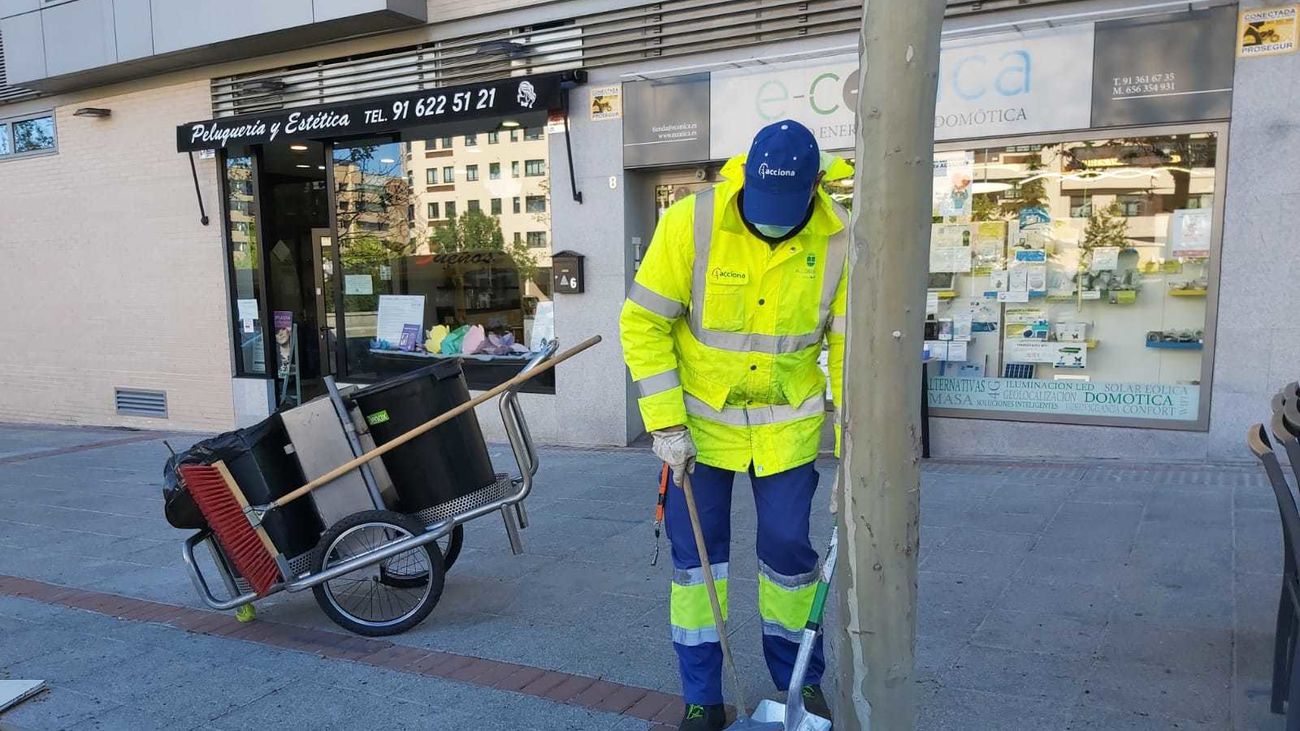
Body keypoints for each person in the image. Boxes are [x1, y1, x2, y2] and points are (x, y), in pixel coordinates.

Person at [619, 119, 851, 731]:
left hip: (787, 428)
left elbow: (849, 346)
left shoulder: (841, 237)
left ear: (815, 187)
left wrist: (854, 446)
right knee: (698, 564)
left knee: (789, 556)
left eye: (786, 206)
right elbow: (643, 323)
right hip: (698, 425)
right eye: (761, 203)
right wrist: (665, 425)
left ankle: (800, 684)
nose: (769, 221)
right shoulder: (690, 222)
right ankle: (701, 697)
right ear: (743, 178)